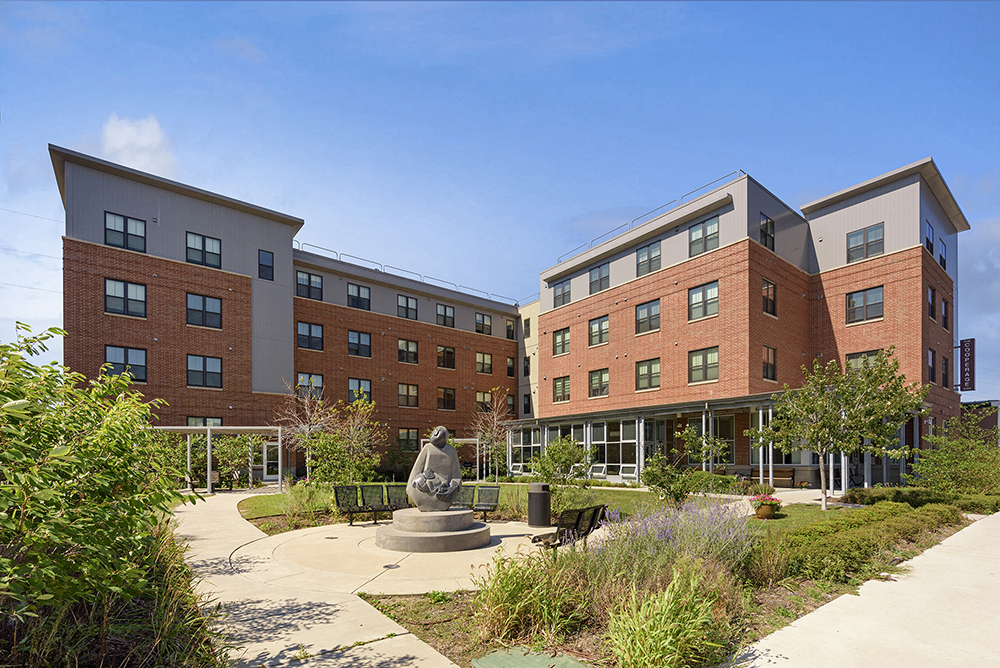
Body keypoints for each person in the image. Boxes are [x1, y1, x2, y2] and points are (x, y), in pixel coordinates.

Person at [406, 426, 463, 511]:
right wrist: (419, 479)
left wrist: (450, 490)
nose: (435, 433)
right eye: (435, 431)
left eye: (439, 432)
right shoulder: (427, 448)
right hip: (425, 488)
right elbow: (415, 473)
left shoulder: (451, 451)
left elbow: (457, 477)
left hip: (443, 491)